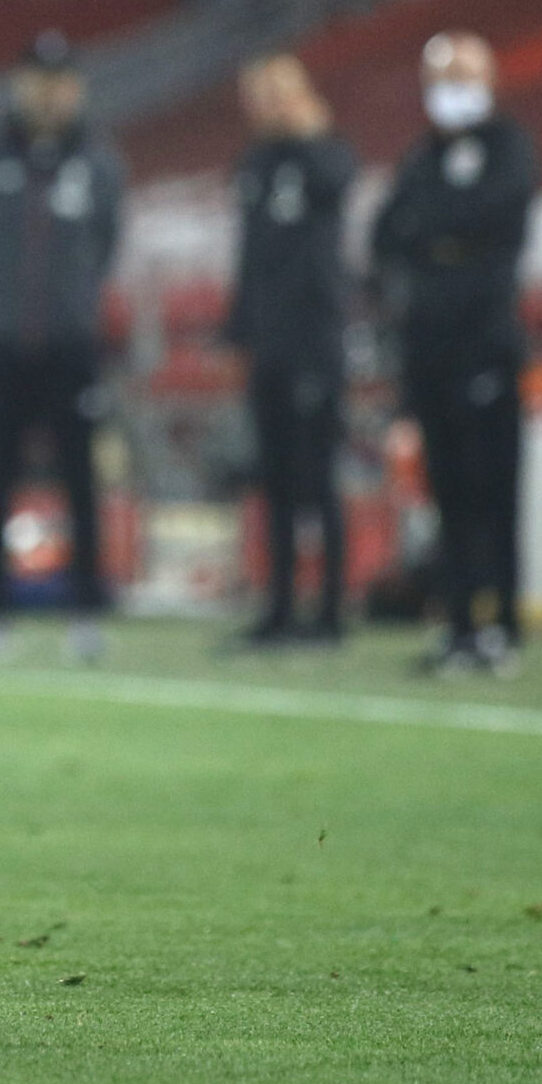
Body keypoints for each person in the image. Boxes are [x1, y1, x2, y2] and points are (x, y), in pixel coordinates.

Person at [0, 30, 124, 665]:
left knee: (81, 482)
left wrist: (72, 310)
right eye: (36, 79)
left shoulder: (98, 161)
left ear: (75, 88)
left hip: (71, 347)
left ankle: (86, 612)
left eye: (59, 81)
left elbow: (105, 245)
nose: (48, 93)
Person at [371, 31, 537, 677]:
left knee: (492, 486)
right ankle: (460, 619)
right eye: (441, 75)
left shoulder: (508, 146)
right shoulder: (422, 155)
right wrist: (444, 231)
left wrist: (438, 231)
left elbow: (497, 222)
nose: (451, 87)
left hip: (486, 342)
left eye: (462, 74)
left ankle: (503, 623)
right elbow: (389, 231)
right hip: (429, 343)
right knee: (446, 491)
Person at [225, 55, 357, 646]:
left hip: (315, 342)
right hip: (269, 346)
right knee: (273, 480)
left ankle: (328, 610)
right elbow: (249, 255)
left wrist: (306, 133)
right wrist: (239, 327)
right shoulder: (254, 163)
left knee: (318, 478)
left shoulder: (326, 153)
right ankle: (278, 607)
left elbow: (336, 186)